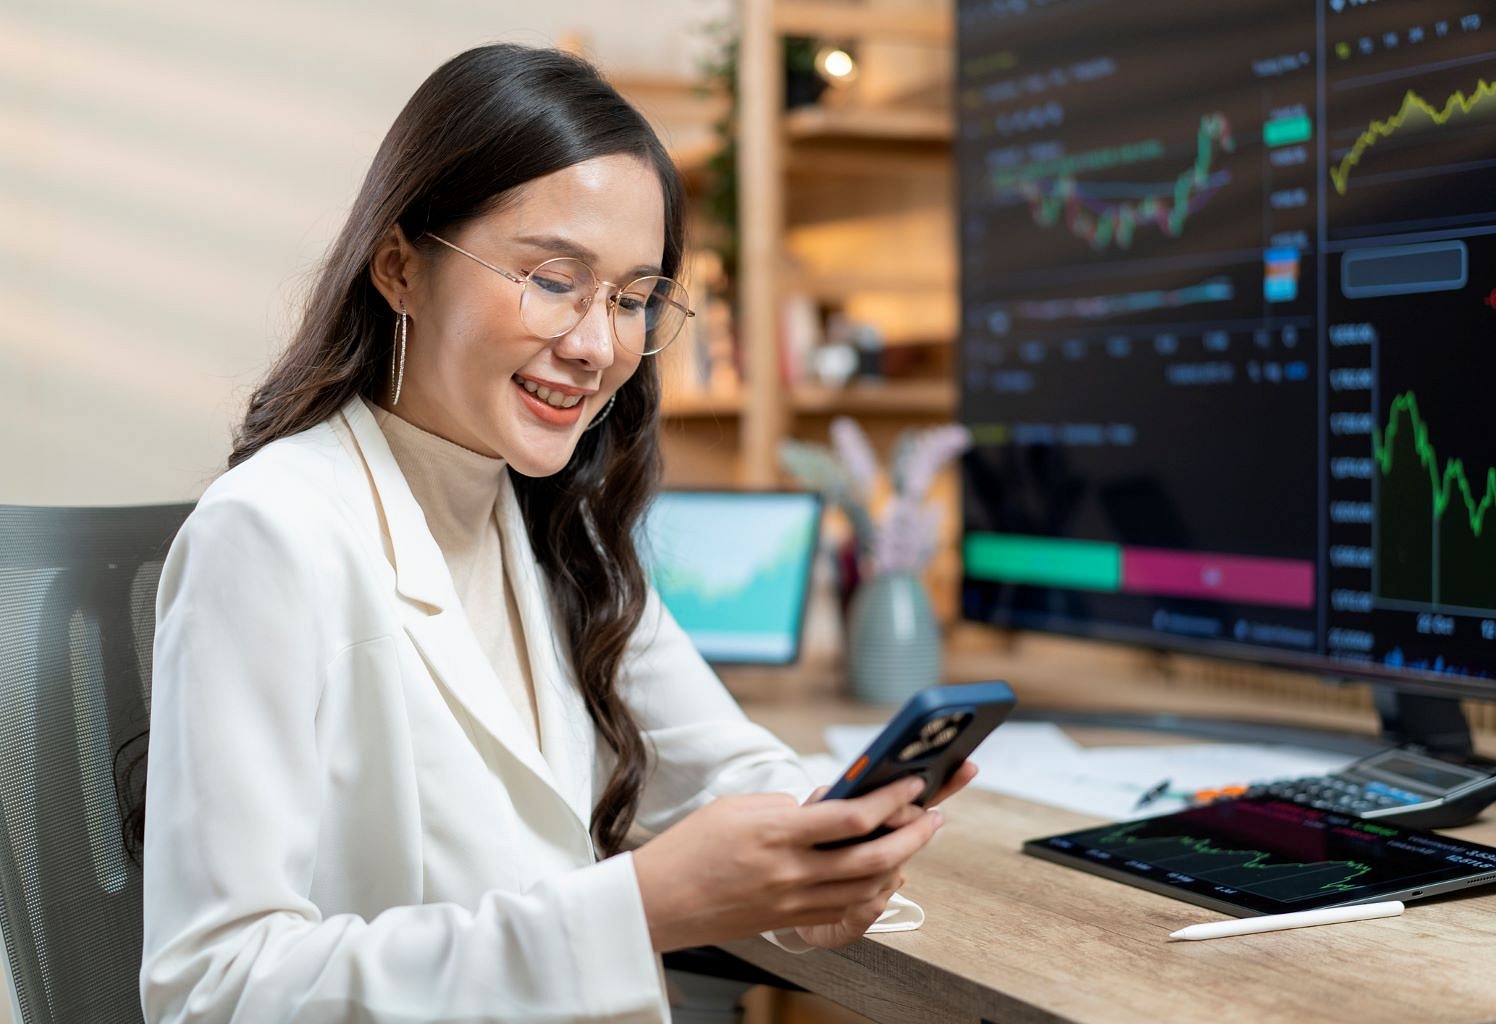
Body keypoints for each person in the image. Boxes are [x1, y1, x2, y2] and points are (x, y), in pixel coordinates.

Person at [139, 43, 975, 1023]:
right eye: (552, 279)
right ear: (402, 266)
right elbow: (213, 990)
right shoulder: (272, 534)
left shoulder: (549, 519)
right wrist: (639, 905)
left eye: (632, 299)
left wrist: (827, 865)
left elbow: (732, 772)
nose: (596, 345)